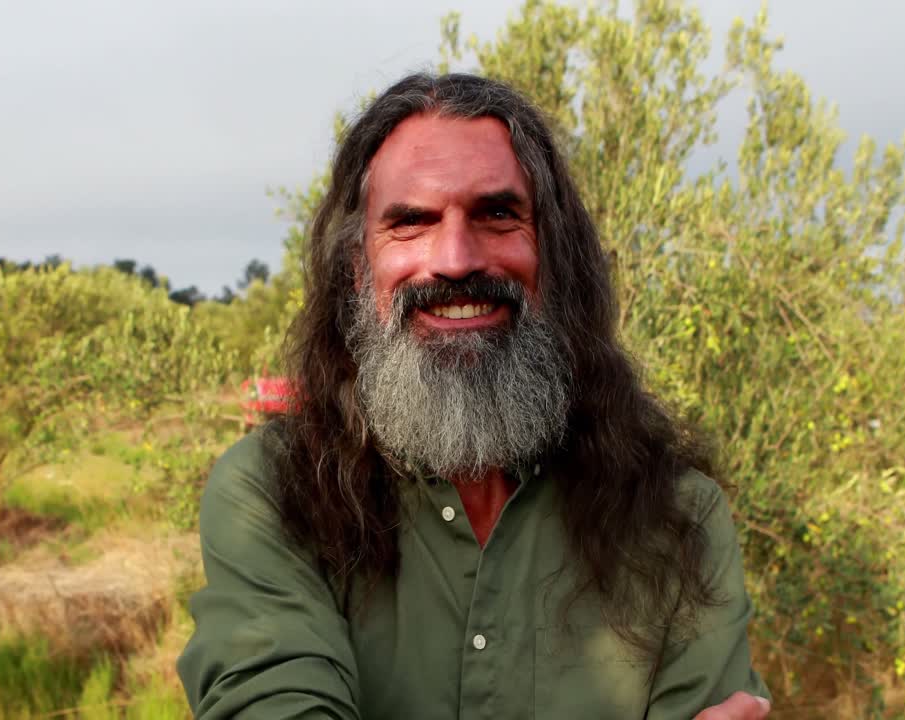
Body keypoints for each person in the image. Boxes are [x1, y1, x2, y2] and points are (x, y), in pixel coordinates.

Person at [178, 73, 772, 719]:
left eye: (496, 215)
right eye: (411, 222)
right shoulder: (273, 489)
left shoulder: (676, 515)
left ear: (553, 254)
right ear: (358, 268)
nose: (455, 260)